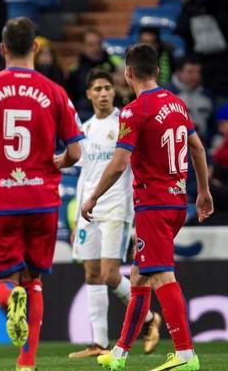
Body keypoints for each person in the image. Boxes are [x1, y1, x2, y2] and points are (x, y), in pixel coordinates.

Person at [0, 17, 83, 371]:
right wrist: (53, 164)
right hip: (42, 199)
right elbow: (75, 152)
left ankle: (11, 298)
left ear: (2, 49)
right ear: (36, 48)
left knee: (4, 280)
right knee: (34, 280)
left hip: (1, 199)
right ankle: (26, 361)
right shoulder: (55, 91)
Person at [82, 43, 214, 371]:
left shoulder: (134, 110)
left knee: (161, 276)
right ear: (157, 71)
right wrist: (204, 191)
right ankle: (120, 353)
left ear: (128, 74)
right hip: (176, 201)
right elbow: (198, 149)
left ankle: (185, 355)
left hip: (152, 204)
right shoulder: (177, 104)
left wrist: (94, 196)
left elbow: (119, 163)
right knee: (140, 277)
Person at [67, 69, 161, 359]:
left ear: (114, 91)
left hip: (117, 207)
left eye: (107, 87)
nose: (104, 93)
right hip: (89, 211)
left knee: (109, 274)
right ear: (89, 94)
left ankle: (148, 319)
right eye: (97, 88)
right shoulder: (84, 129)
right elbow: (85, 176)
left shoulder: (125, 121)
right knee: (91, 273)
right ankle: (99, 343)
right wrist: (78, 217)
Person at [68, 28, 119, 120]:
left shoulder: (114, 64)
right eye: (91, 45)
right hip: (86, 114)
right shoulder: (75, 71)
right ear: (83, 46)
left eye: (98, 44)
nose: (96, 48)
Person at [165, 57, 214, 145]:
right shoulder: (166, 93)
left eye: (198, 72)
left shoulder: (206, 94)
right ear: (178, 72)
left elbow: (212, 125)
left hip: (203, 144)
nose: (195, 76)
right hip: (174, 144)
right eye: (190, 72)